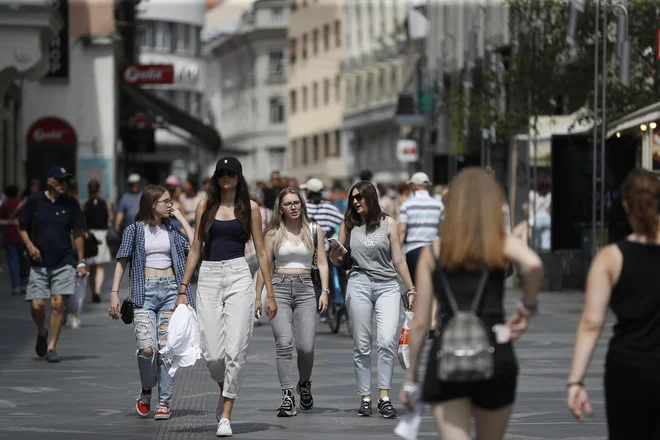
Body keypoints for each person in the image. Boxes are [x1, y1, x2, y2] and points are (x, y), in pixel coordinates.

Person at [400, 168, 543, 440]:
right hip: (496, 350)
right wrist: (527, 306)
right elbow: (534, 264)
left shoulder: (434, 251)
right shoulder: (499, 244)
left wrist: (411, 376)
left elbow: (419, 322)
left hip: (447, 354)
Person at [177, 157, 276, 437]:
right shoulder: (204, 206)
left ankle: (225, 414)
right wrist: (183, 287)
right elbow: (195, 248)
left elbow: (261, 250)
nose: (226, 177)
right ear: (216, 177)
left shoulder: (250, 209)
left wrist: (268, 293)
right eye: (221, 173)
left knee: (235, 350)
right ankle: (226, 390)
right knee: (212, 353)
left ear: (239, 176)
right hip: (208, 275)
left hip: (238, 274)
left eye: (231, 173)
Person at [566, 168, 660, 439]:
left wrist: (576, 380)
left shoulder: (610, 258)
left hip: (628, 368)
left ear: (626, 206)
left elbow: (592, 323)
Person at [329, 180, 415, 419]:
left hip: (387, 286)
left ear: (371, 197)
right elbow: (340, 261)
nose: (355, 202)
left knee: (387, 340)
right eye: (352, 198)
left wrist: (411, 288)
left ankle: (384, 397)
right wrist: (334, 256)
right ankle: (365, 397)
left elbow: (398, 259)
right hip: (358, 284)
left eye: (360, 197)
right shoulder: (348, 223)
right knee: (362, 344)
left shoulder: (389, 223)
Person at [108, 185, 194, 420]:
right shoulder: (134, 230)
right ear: (152, 204)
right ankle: (147, 389)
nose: (170, 205)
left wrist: (183, 220)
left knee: (166, 351)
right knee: (147, 349)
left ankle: (164, 402)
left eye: (170, 201)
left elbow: (196, 246)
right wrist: (114, 293)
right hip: (143, 293)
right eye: (165, 201)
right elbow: (122, 261)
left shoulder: (173, 230)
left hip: (170, 292)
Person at [255, 188, 329, 417]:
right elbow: (264, 265)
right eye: (288, 204)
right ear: (281, 208)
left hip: (307, 288)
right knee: (284, 343)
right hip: (279, 288)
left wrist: (324, 291)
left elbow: (323, 263)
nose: (294, 207)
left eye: (297, 202)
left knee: (306, 347)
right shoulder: (272, 233)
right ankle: (287, 394)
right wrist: (259, 297)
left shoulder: (314, 230)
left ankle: (304, 384)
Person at [19, 166, 88, 363]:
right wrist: (30, 246)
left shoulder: (71, 203)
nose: (63, 184)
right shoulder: (35, 201)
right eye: (59, 180)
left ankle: (52, 347)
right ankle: (42, 332)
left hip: (64, 260)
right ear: (49, 181)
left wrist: (81, 261)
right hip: (39, 262)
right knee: (37, 304)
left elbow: (79, 233)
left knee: (58, 303)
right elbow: (22, 227)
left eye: (65, 181)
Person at [84, 179, 112, 304]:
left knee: (92, 266)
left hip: (90, 236)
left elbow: (83, 221)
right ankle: (97, 291)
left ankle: (93, 291)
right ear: (99, 189)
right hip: (101, 235)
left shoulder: (86, 204)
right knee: (100, 267)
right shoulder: (104, 203)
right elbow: (108, 221)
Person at [0, 184, 27, 294]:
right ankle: (23, 284)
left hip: (9, 236)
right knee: (23, 261)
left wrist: (10, 222)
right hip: (23, 235)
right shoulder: (23, 205)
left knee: (13, 262)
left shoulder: (5, 205)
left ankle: (15, 286)